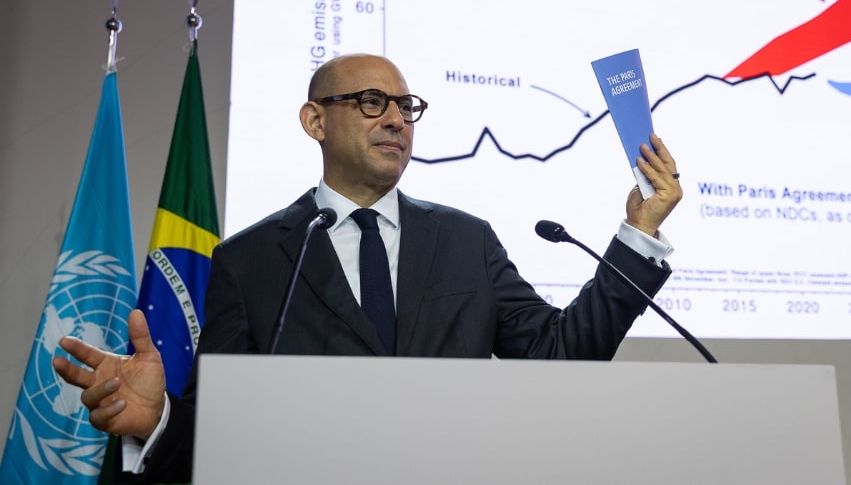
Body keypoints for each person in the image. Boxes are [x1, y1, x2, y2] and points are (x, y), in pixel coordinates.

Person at [53, 53, 683, 483]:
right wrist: (159, 417)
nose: (395, 120)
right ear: (314, 120)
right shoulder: (250, 260)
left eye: (406, 107)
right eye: (373, 102)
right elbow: (223, 427)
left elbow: (559, 359)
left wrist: (640, 233)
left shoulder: (466, 240)